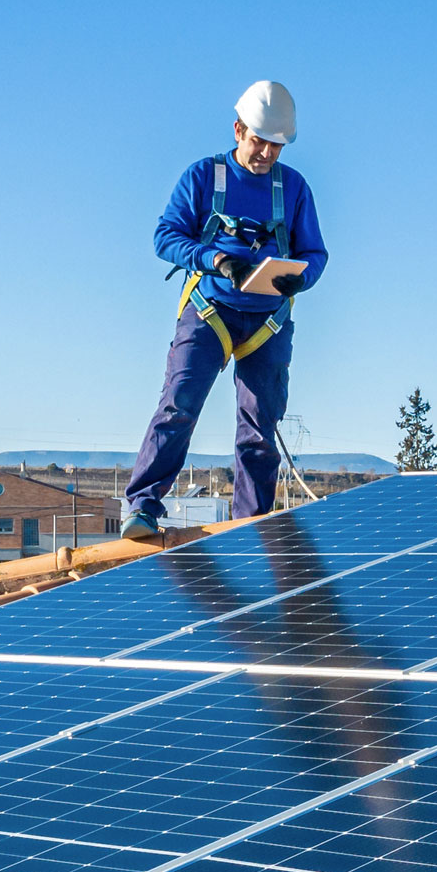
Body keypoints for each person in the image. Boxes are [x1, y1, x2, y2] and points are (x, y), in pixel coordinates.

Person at [123, 80, 330, 541]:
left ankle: (249, 526)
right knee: (179, 404)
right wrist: (214, 259)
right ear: (238, 130)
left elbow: (316, 253)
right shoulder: (204, 177)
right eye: (259, 142)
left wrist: (302, 277)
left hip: (268, 321)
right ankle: (142, 508)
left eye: (276, 146)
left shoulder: (292, 189)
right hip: (210, 309)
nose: (266, 154)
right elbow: (165, 237)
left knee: (260, 425)